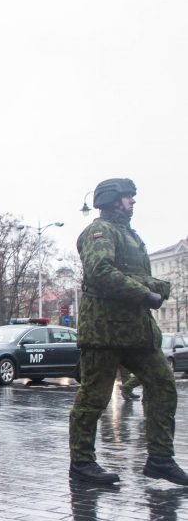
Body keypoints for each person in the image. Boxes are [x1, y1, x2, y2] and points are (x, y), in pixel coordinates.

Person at [68, 178, 188, 485]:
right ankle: (82, 462)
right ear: (112, 200)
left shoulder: (129, 234)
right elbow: (100, 271)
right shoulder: (100, 232)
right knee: (94, 398)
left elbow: (132, 274)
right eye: (127, 197)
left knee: (163, 386)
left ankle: (160, 459)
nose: (132, 202)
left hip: (136, 332)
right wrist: (145, 293)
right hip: (104, 332)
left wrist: (153, 288)